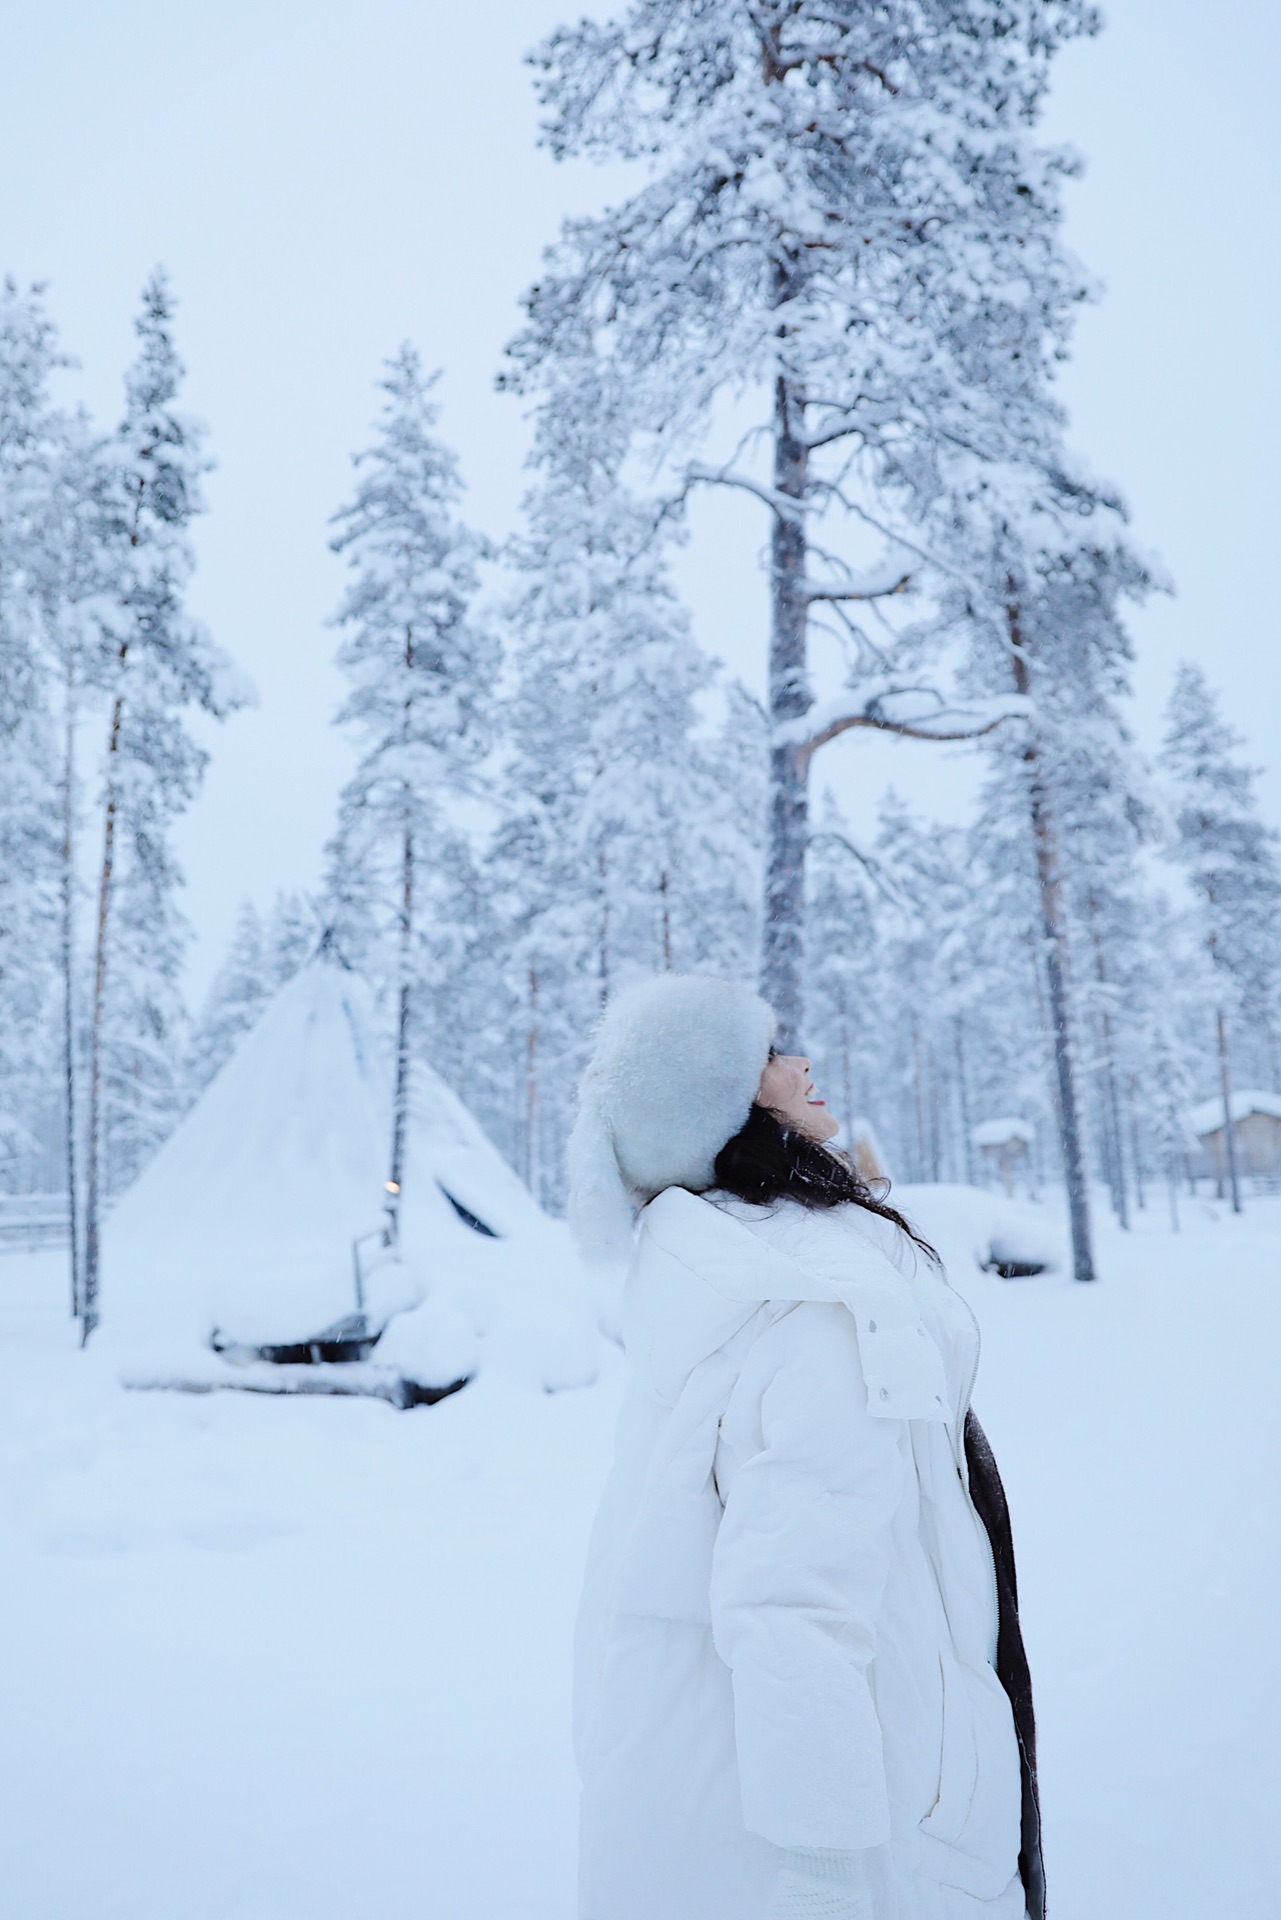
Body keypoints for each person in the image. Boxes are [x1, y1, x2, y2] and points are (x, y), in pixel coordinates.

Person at [567, 974, 1041, 1920]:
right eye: (769, 1057)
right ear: (725, 1112)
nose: (802, 1063)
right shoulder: (811, 1314)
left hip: (716, 1788)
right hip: (855, 1818)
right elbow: (792, 1604)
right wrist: (821, 1865)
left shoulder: (714, 1283)